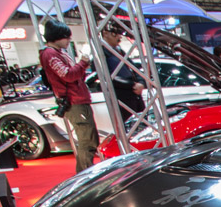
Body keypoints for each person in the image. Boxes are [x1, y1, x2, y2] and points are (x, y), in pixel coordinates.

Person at [39, 20, 98, 173]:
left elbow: (73, 76)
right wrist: (82, 64)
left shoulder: (58, 53)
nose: (69, 40)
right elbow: (68, 75)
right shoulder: (50, 54)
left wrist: (81, 67)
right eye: (66, 37)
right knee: (87, 140)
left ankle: (86, 172)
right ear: (57, 36)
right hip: (74, 101)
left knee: (90, 139)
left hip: (78, 100)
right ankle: (85, 175)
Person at [101, 25, 145, 117]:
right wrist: (132, 85)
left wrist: (141, 82)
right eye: (115, 34)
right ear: (105, 34)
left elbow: (134, 68)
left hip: (135, 97)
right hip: (121, 98)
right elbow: (107, 77)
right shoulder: (101, 53)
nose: (119, 37)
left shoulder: (119, 51)